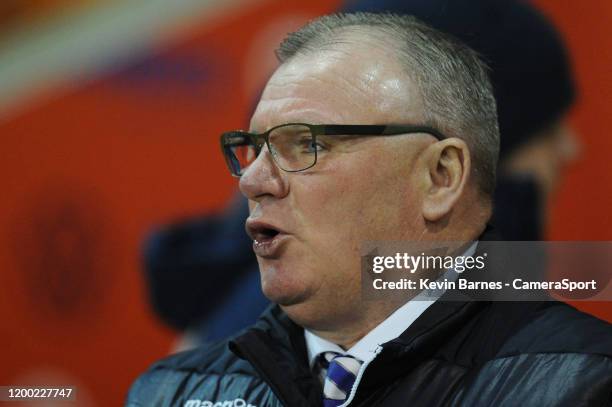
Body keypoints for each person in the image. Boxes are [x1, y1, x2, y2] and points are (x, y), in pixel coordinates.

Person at [127, 12, 612, 406]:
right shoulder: (170, 392)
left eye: (305, 143)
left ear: (441, 177)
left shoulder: (584, 384)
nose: (251, 179)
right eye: (253, 147)